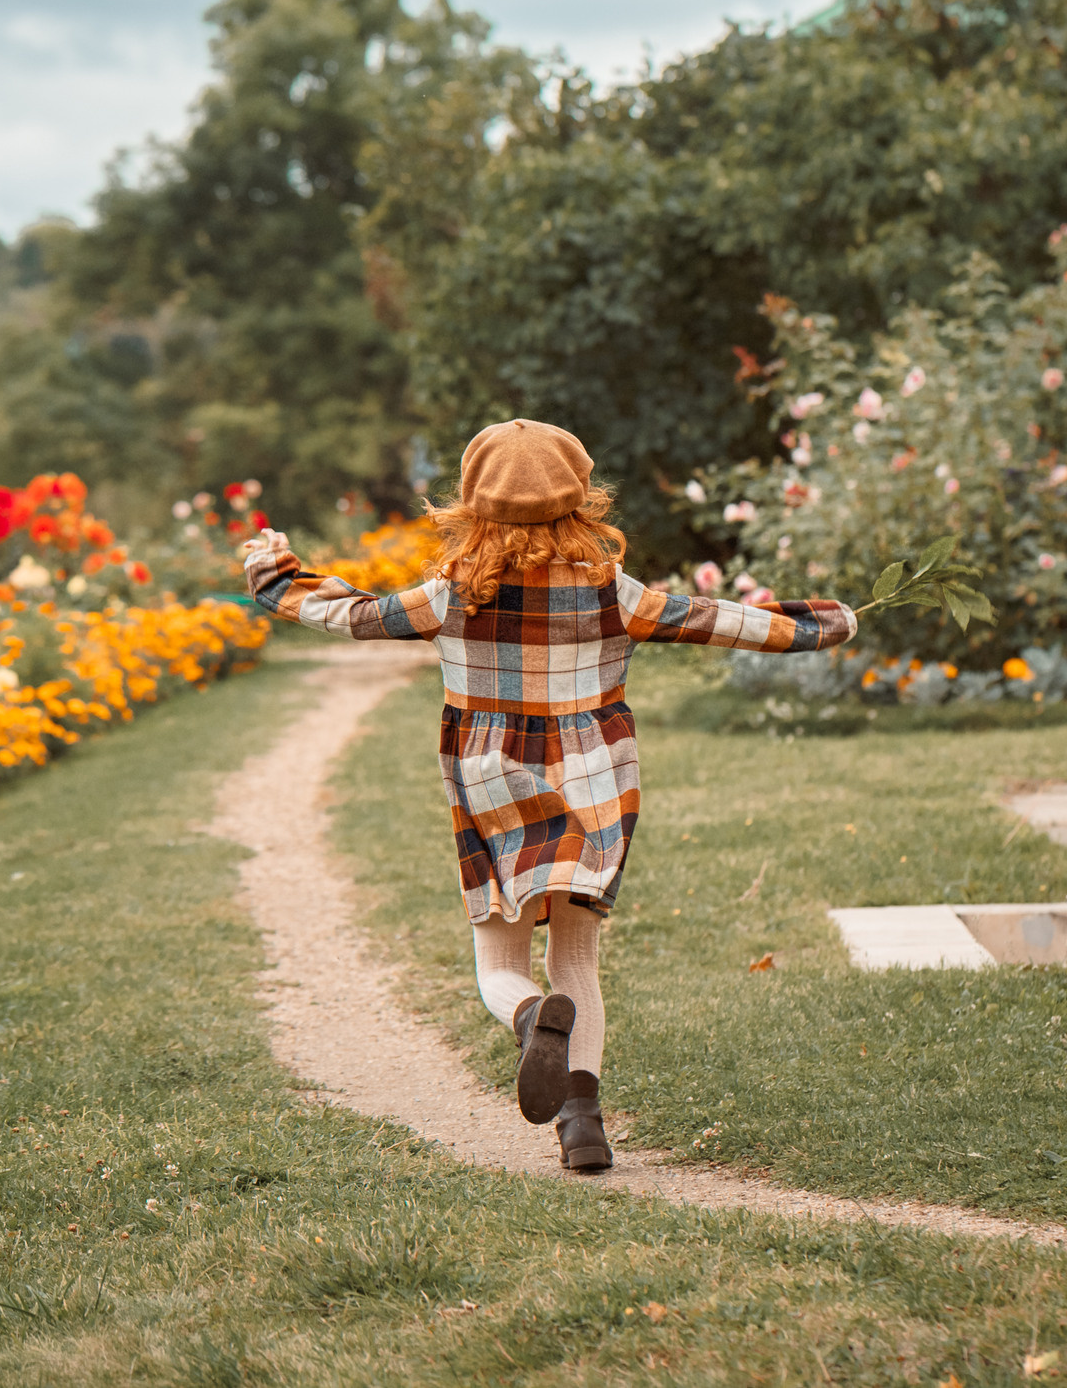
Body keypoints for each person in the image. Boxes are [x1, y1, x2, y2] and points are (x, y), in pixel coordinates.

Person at [241, 419, 855, 1172]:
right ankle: (583, 1124)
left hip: (493, 793)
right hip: (595, 788)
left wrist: (276, 577)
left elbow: (354, 611)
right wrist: (824, 623)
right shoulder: (612, 593)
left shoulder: (449, 596)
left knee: (499, 963)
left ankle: (531, 1018)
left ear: (470, 502)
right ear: (582, 498)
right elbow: (720, 620)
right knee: (578, 960)